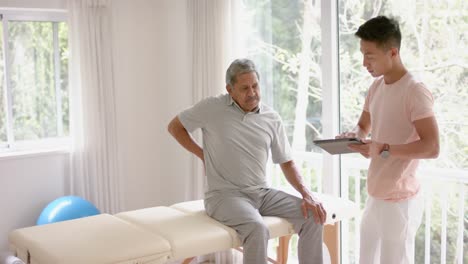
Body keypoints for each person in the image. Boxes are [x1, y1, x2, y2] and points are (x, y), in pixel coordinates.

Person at [168, 58, 326, 264]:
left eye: (255, 86)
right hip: (224, 197)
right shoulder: (211, 108)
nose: (252, 93)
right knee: (257, 228)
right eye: (244, 88)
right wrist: (202, 154)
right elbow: (175, 127)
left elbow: (286, 161)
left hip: (262, 193)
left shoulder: (271, 117)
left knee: (313, 216)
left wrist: (307, 194)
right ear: (230, 89)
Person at [337, 16, 440, 264]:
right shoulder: (376, 88)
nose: (364, 63)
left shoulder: (415, 91)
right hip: (376, 194)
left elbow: (432, 147)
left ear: (392, 52)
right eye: (362, 54)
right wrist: (357, 136)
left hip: (400, 200)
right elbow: (364, 125)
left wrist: (383, 149)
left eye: (370, 56)